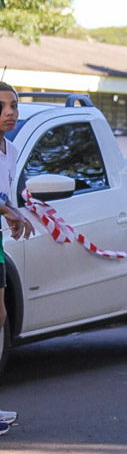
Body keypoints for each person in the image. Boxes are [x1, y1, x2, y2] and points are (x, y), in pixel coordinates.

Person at [0, 82, 34, 435]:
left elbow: (6, 196)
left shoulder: (10, 150)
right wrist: (11, 214)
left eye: (14, 105)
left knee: (0, 315)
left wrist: (15, 216)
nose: (11, 111)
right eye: (3, 106)